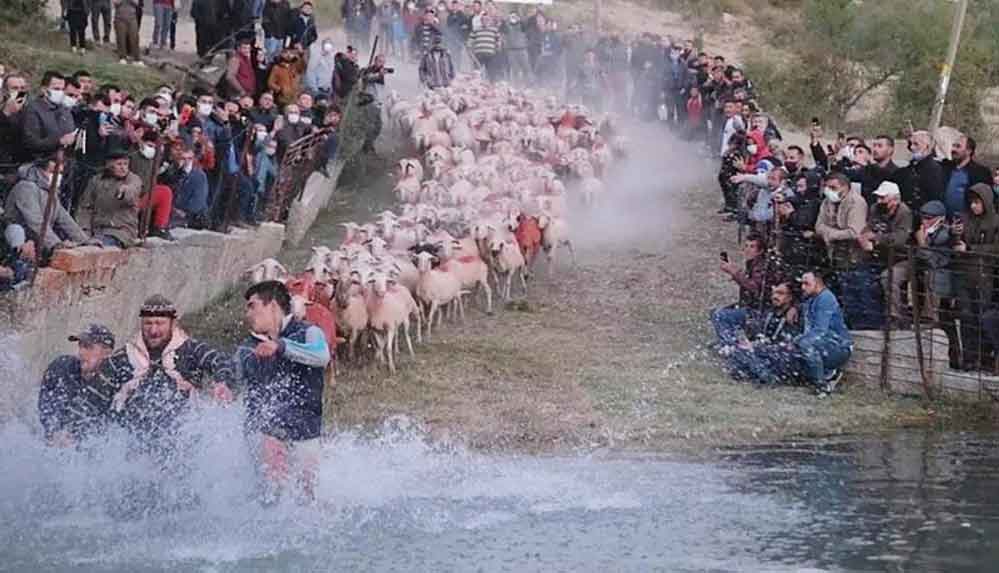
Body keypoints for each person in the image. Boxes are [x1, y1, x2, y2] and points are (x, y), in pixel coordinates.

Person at [99, 295, 236, 456]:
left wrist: (222, 382)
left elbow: (220, 361)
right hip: (134, 446)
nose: (153, 330)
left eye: (160, 323)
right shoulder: (123, 357)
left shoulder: (191, 349)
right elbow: (96, 394)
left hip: (183, 443)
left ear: (173, 323)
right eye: (148, 323)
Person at [238, 280, 330, 503]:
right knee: (269, 497)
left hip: (305, 431)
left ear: (272, 306)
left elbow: (321, 356)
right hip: (265, 435)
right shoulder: (247, 347)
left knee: (308, 500)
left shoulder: (309, 332)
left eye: (252, 306)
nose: (247, 313)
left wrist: (281, 347)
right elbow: (240, 384)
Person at [38, 324, 116, 447]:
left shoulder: (113, 384)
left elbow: (111, 430)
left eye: (88, 347)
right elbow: (46, 405)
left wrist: (77, 437)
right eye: (80, 345)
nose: (81, 352)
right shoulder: (61, 367)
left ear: (107, 353)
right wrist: (53, 431)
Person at [714, 282, 802, 385]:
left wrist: (755, 347)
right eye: (773, 293)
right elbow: (764, 335)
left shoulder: (793, 317)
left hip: (783, 357)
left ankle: (767, 376)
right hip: (768, 353)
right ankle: (753, 370)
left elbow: (788, 345)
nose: (775, 296)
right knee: (737, 353)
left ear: (790, 297)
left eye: (780, 293)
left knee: (743, 353)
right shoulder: (770, 313)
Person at [951, 183, 999, 370]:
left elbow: (995, 249)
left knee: (983, 318)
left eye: (977, 202)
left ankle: (985, 358)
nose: (973, 206)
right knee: (966, 317)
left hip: (984, 276)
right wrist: (955, 235)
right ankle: (969, 358)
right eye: (971, 202)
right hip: (964, 274)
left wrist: (970, 249)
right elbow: (956, 245)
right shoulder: (965, 219)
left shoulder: (995, 221)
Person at [5, 159, 90, 254]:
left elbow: (64, 218)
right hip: (19, 241)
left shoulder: (50, 192)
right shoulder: (26, 188)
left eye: (60, 173)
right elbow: (35, 221)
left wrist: (84, 240)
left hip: (38, 240)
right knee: (16, 231)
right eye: (53, 172)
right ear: (39, 170)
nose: (58, 176)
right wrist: (55, 243)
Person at [860, 181, 912, 326]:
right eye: (878, 198)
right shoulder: (875, 209)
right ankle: (868, 318)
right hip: (879, 256)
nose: (879, 201)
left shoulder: (905, 213)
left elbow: (900, 239)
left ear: (895, 199)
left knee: (888, 278)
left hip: (902, 258)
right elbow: (868, 228)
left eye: (883, 198)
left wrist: (876, 239)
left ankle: (894, 318)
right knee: (861, 276)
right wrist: (863, 238)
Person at [796, 270, 852, 396]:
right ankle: (826, 374)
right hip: (825, 343)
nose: (802, 287)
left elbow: (820, 331)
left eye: (806, 284)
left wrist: (799, 341)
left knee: (805, 344)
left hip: (839, 346)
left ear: (818, 283)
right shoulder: (810, 299)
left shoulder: (826, 298)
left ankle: (822, 385)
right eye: (802, 284)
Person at [77, 149, 143, 248]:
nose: (123, 168)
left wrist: (125, 191)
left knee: (99, 247)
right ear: (109, 165)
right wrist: (85, 230)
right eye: (119, 164)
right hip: (96, 230)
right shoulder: (96, 181)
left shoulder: (133, 179)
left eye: (125, 164)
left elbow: (133, 190)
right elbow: (85, 207)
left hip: (120, 231)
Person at [21, 71, 78, 161]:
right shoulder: (33, 109)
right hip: (40, 164)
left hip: (64, 164)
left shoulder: (65, 110)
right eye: (56, 89)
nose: (60, 93)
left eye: (63, 89)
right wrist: (58, 141)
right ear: (44, 89)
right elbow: (31, 142)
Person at [941, 134, 992, 218]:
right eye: (953, 146)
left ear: (969, 151)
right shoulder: (945, 167)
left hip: (969, 223)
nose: (953, 149)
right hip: (944, 221)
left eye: (958, 146)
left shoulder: (981, 172)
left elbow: (986, 202)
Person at [897, 130, 944, 212]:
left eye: (916, 144)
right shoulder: (909, 168)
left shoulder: (935, 169)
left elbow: (934, 198)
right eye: (911, 144)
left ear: (927, 146)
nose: (912, 147)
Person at [467, 13, 501, 81]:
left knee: (491, 72)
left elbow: (498, 40)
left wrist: (498, 47)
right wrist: (469, 46)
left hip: (490, 54)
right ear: (481, 21)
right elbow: (470, 40)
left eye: (487, 20)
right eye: (483, 20)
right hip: (478, 54)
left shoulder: (494, 29)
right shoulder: (476, 29)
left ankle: (491, 86)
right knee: (477, 72)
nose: (485, 21)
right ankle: (477, 85)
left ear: (490, 20)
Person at [113, 0, 143, 65]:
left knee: (134, 38)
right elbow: (115, 2)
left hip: (132, 18)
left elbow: (137, 3)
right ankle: (122, 58)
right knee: (121, 39)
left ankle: (136, 59)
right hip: (120, 18)